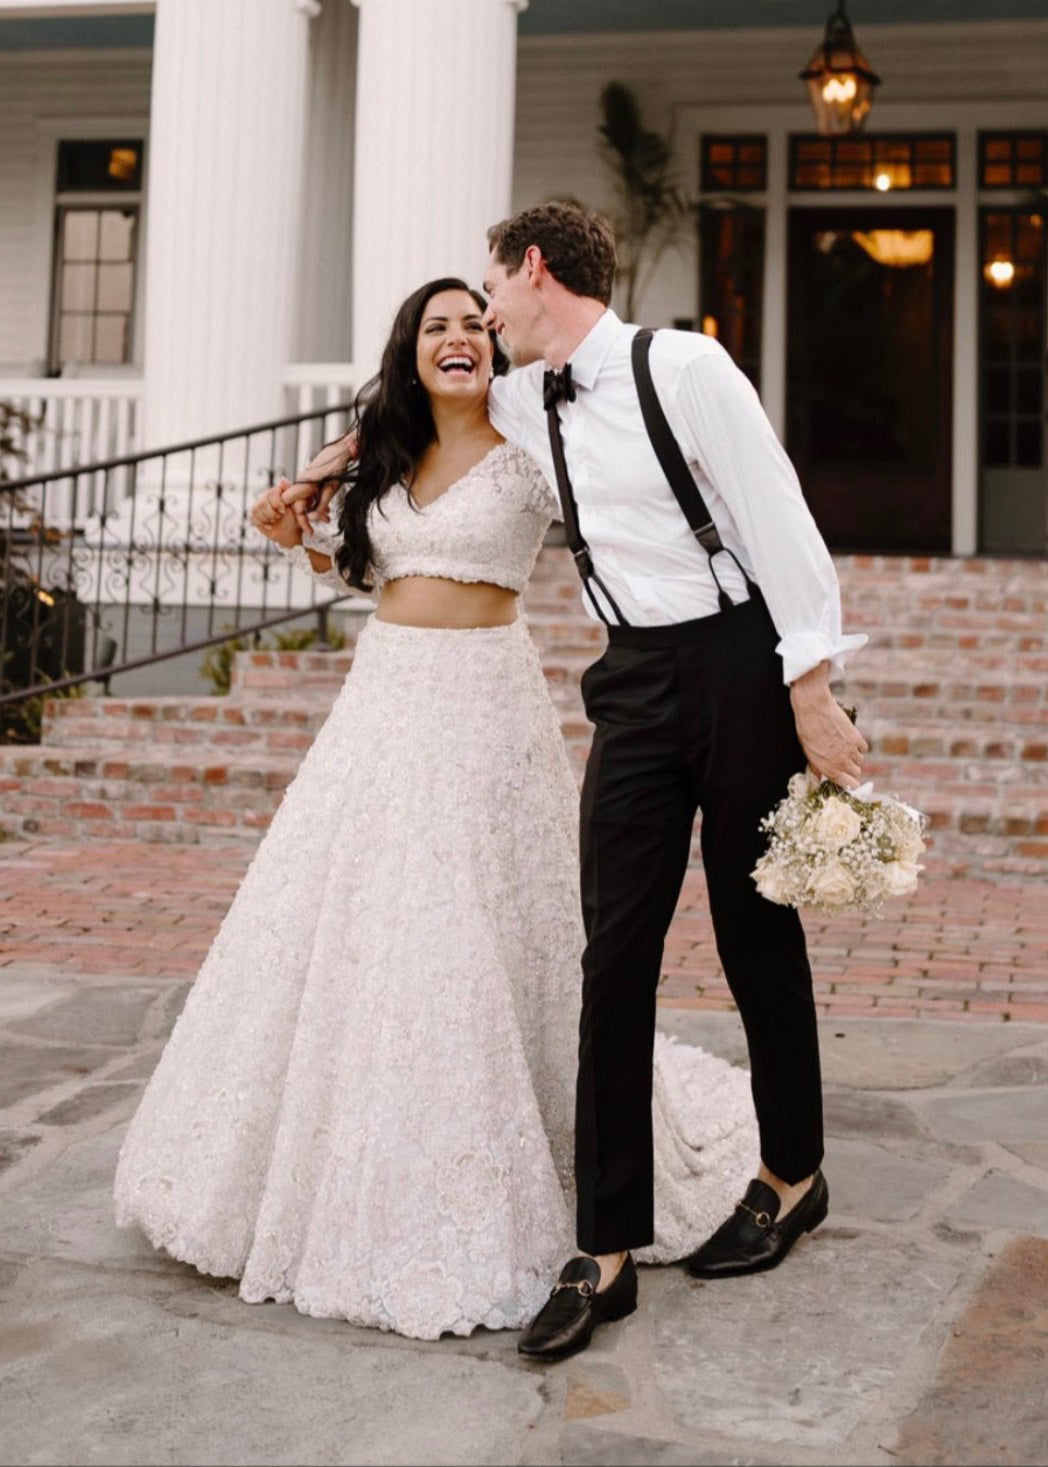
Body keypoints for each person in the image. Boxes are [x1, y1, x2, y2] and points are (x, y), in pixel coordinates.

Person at [113, 276, 758, 1344]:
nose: (455, 338)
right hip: (385, 700)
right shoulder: (381, 452)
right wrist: (300, 521)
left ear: (495, 346)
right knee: (353, 924)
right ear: (409, 352)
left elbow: (627, 509)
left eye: (472, 324)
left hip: (487, 706)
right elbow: (363, 564)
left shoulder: (537, 443)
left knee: (477, 929)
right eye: (434, 327)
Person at [288, 206, 869, 1361]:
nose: (483, 315)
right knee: (612, 950)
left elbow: (782, 521)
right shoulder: (521, 397)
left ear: (532, 272)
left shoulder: (685, 367)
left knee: (756, 927)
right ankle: (603, 1248)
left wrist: (811, 688)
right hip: (633, 682)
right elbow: (421, 415)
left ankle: (791, 1172)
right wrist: (334, 458)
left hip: (739, 660)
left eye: (491, 289)